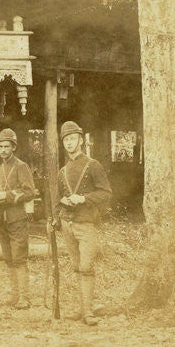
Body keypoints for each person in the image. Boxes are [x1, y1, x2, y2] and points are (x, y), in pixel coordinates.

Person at [50, 121, 111, 326]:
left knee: (86, 267)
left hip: (87, 224)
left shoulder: (93, 165)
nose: (69, 143)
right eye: (66, 140)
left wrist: (83, 199)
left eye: (73, 139)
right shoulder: (62, 171)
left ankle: (88, 312)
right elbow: (58, 200)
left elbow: (105, 193)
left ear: (81, 140)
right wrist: (57, 216)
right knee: (77, 267)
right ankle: (81, 309)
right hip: (68, 225)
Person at [0, 127, 37, 309]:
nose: (3, 150)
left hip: (17, 220)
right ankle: (14, 296)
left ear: (13, 147)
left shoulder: (21, 166)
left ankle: (24, 298)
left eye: (6, 146)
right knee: (8, 259)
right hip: (3, 221)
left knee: (19, 258)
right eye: (0, 146)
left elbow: (30, 192)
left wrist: (8, 196)